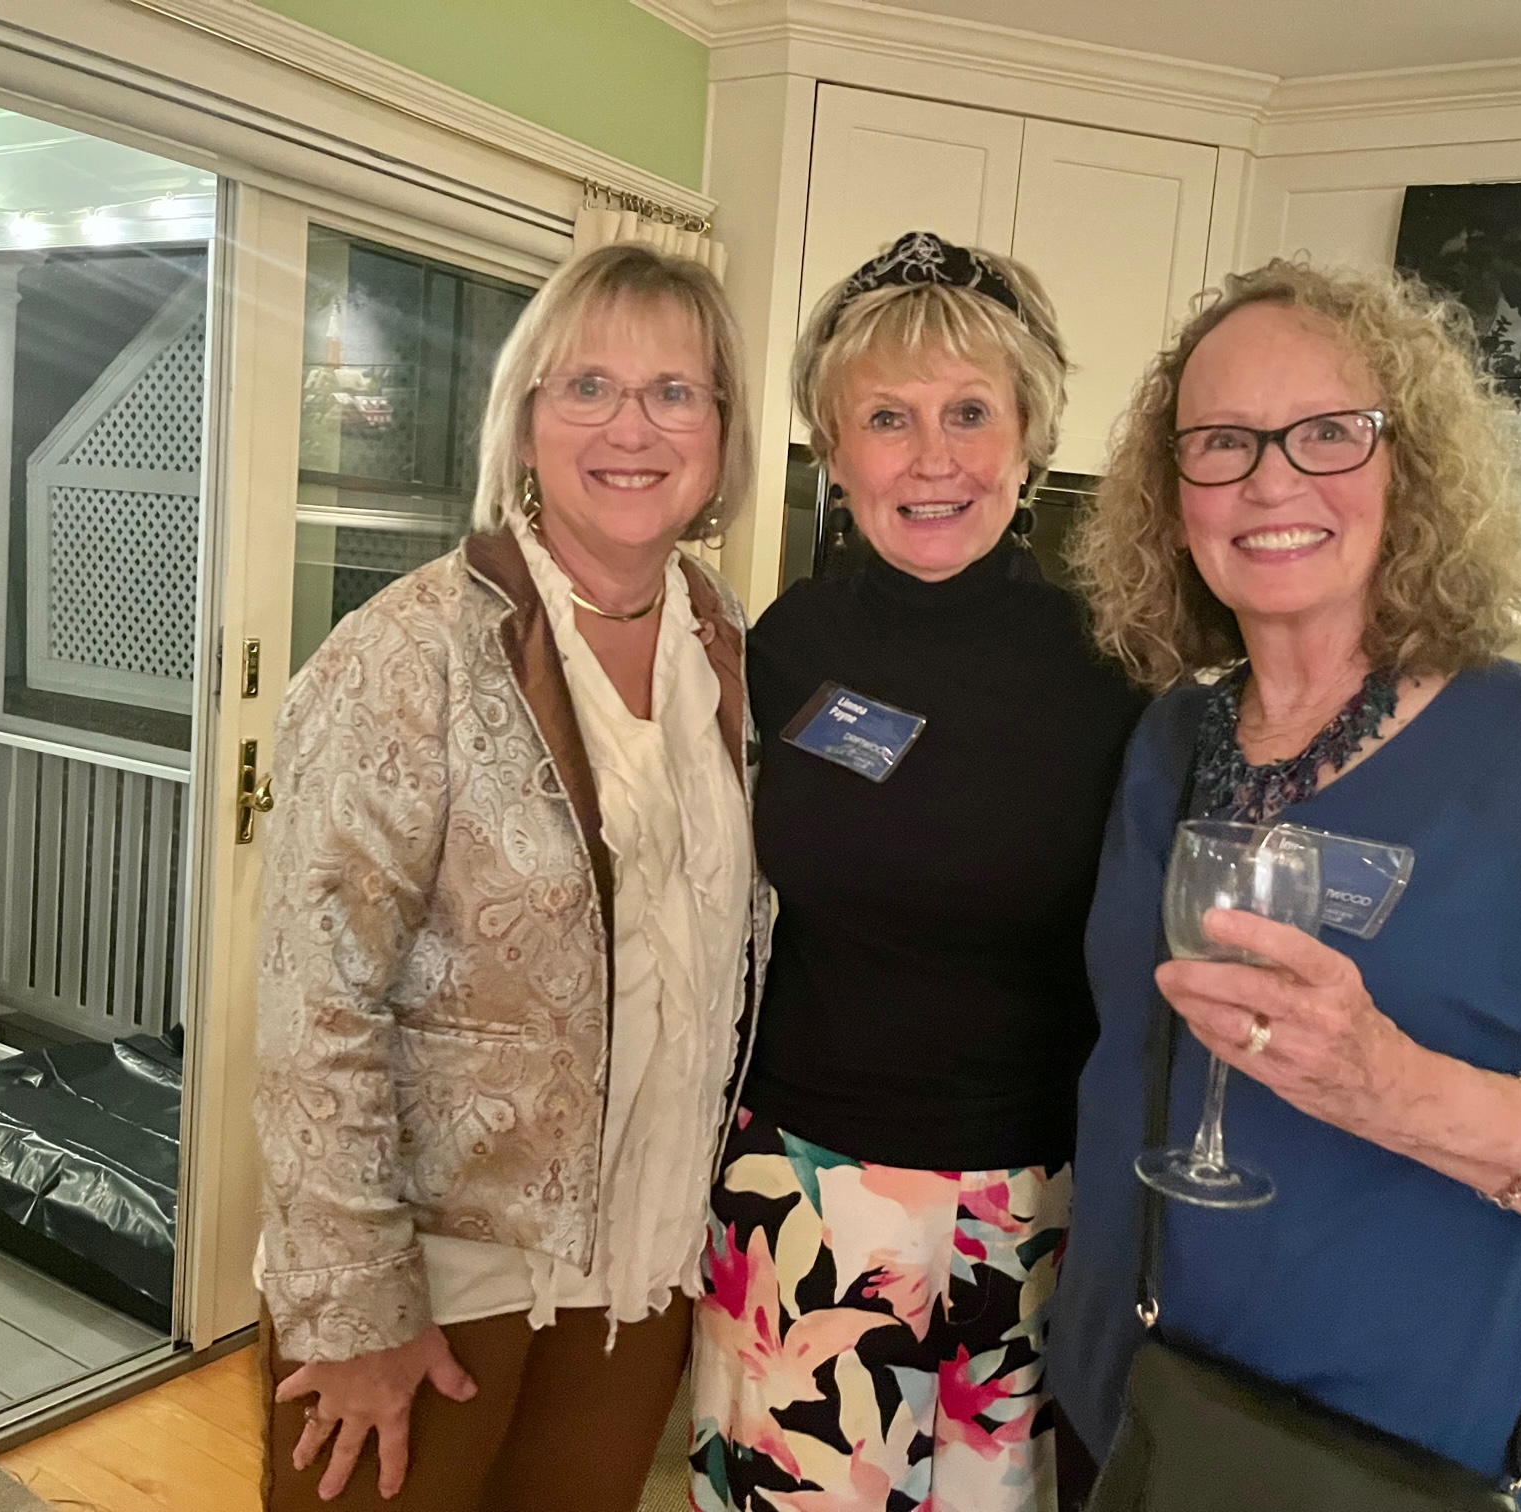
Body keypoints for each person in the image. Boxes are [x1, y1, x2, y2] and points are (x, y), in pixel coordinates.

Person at [1049, 259, 1521, 1511]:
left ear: (1412, 468)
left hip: (1385, 1463)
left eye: (1329, 432)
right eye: (1222, 442)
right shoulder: (1171, 740)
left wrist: (1394, 1089)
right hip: (1127, 1418)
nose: (1272, 479)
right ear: (1172, 499)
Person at [253, 242, 769, 1512]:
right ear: (525, 421)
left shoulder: (724, 642)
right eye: (587, 387)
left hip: (638, 1267)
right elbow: (313, 999)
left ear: (720, 431)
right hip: (435, 1281)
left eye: (674, 391)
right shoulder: (409, 652)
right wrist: (356, 1306)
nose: (632, 428)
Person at [688, 232, 1146, 1512]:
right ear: (834, 455)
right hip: (804, 1185)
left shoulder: (1119, 668)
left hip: (1033, 1205)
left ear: (1030, 439)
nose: (932, 457)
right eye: (888, 418)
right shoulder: (784, 644)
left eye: (969, 413)